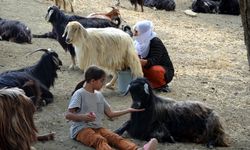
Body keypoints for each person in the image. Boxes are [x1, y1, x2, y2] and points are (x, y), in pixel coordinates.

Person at [65, 65, 158, 150]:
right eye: (102, 81)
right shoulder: (79, 94)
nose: (104, 84)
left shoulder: (99, 95)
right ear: (92, 81)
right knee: (99, 140)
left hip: (97, 127)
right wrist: (83, 117)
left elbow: (110, 114)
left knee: (115, 137)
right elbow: (68, 115)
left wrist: (128, 110)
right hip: (80, 129)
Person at [133, 20, 174, 92]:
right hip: (146, 66)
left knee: (154, 70)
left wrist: (138, 61)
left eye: (137, 32)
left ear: (144, 33)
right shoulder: (138, 43)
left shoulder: (155, 41)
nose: (134, 34)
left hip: (163, 70)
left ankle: (160, 85)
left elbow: (154, 60)